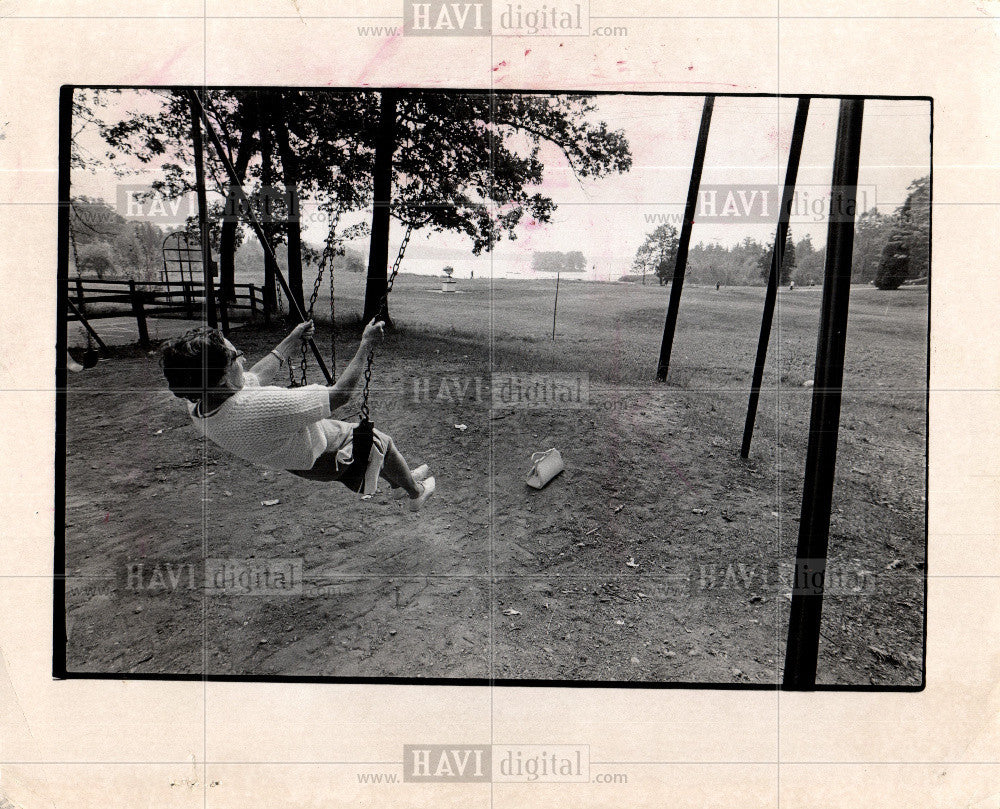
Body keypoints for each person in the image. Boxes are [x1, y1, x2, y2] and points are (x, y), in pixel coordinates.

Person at [160, 319, 435, 510]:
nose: (242, 359)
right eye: (236, 357)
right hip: (327, 457)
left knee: (376, 448)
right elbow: (340, 394)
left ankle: (401, 481)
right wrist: (366, 344)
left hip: (298, 456)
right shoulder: (258, 409)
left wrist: (288, 343)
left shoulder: (199, 402)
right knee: (380, 442)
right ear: (220, 377)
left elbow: (253, 378)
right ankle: (414, 493)